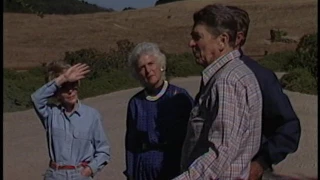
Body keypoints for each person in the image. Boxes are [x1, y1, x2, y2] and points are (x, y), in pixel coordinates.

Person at [174, 4, 263, 180]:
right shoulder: (236, 73)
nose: (191, 43)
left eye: (197, 37)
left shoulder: (227, 81)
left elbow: (220, 153)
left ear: (222, 40)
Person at [227, 5, 301, 180]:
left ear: (238, 38)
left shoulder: (260, 77)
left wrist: (261, 163)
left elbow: (289, 127)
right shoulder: (212, 77)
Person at [123, 42, 194, 180]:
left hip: (173, 166)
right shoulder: (135, 103)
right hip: (143, 170)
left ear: (161, 65)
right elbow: (131, 144)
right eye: (142, 67)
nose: (148, 70)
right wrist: (131, 174)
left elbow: (194, 135)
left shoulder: (179, 96)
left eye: (151, 64)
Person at [31, 61, 111, 180]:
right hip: (55, 175)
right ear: (56, 92)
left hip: (79, 174)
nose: (70, 91)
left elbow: (103, 150)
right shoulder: (51, 114)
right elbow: (36, 99)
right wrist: (63, 78)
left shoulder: (91, 115)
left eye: (73, 85)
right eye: (64, 87)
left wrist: (89, 170)